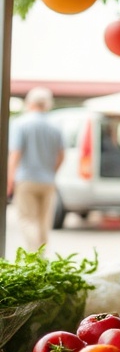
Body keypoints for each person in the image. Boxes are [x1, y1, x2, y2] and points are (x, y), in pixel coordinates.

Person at [7, 87, 64, 250]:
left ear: (29, 103)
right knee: (43, 222)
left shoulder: (20, 123)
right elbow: (61, 156)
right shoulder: (55, 126)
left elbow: (15, 154)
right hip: (48, 181)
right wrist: (51, 171)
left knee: (27, 220)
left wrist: (10, 180)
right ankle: (42, 259)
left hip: (26, 180)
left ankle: (34, 257)